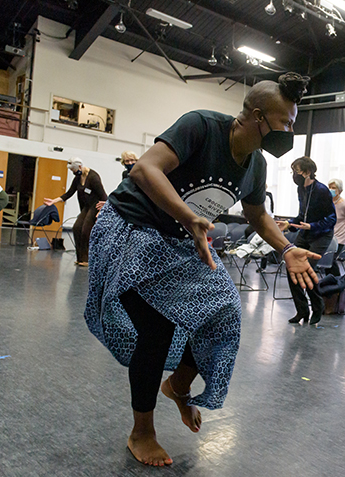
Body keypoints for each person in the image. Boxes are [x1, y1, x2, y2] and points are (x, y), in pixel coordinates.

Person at [84, 73, 318, 467]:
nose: (291, 131)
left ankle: (177, 386)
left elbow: (257, 214)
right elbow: (144, 169)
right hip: (131, 230)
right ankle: (141, 431)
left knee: (223, 312)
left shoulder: (255, 165)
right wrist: (189, 216)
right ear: (258, 117)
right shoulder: (201, 127)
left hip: (179, 242)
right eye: (286, 122)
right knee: (156, 331)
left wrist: (288, 248)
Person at [277, 156, 336, 325]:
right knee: (292, 267)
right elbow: (302, 215)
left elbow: (332, 218)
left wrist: (313, 226)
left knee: (306, 269)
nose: (295, 174)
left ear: (308, 172)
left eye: (297, 171)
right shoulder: (301, 190)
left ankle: (318, 308)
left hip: (322, 234)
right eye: (293, 171)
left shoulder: (322, 190)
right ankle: (302, 310)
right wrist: (289, 224)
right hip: (305, 233)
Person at [44, 157, 107, 266]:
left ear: (79, 167)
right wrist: (53, 201)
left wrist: (100, 212)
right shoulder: (78, 178)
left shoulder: (93, 177)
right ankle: (80, 258)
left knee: (86, 231)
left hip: (95, 207)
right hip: (86, 207)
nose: (72, 172)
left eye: (73, 170)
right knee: (77, 228)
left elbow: (104, 197)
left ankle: (87, 259)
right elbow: (69, 193)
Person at [325, 178, 345, 276]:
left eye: (334, 188)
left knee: (331, 260)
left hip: (340, 238)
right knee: (327, 263)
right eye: (330, 187)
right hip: (329, 236)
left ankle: (339, 284)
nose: (331, 189)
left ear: (340, 190)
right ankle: (331, 283)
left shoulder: (344, 205)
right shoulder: (327, 202)